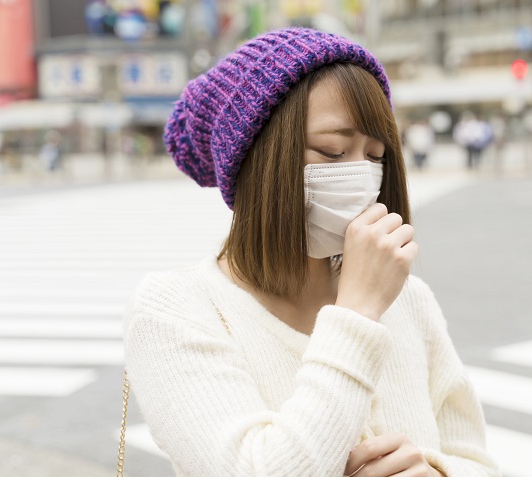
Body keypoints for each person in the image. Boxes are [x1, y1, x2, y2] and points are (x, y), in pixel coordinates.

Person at [123, 28, 500, 477]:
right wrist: (357, 312)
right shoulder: (177, 310)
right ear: (259, 158)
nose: (361, 175)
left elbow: (476, 459)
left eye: (375, 155)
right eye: (332, 151)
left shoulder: (409, 299)